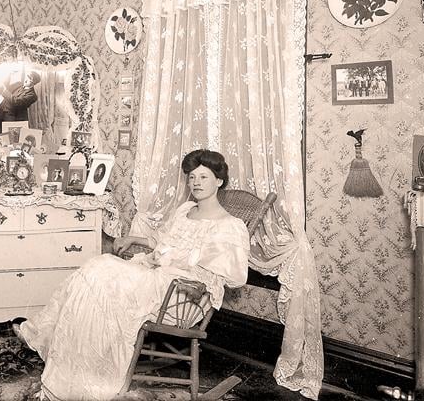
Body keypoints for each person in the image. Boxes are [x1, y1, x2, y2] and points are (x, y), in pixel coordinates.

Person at [15, 149, 249, 401]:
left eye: (203, 177)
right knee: (97, 268)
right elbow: (161, 241)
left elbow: (232, 277)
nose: (196, 183)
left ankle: (86, 369)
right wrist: (134, 239)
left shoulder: (230, 226)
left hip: (181, 294)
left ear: (219, 181)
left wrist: (180, 263)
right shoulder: (186, 210)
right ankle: (75, 359)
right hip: (154, 274)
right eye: (192, 178)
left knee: (102, 277)